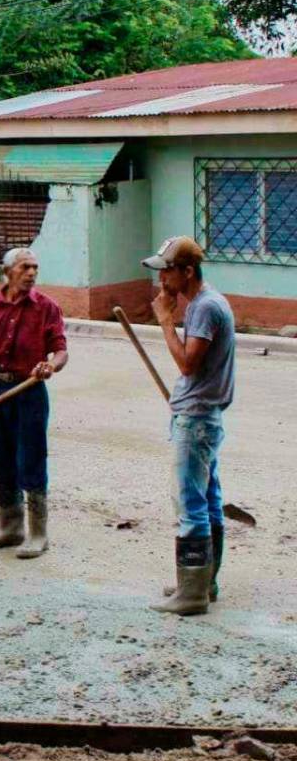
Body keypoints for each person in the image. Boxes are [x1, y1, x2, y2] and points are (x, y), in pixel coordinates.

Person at [142, 236, 235, 616]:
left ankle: (193, 593)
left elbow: (187, 364)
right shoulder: (205, 303)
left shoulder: (204, 308)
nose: (162, 278)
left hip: (196, 419)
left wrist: (166, 321)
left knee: (191, 503)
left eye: (167, 270)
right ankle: (201, 581)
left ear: (187, 272)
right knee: (208, 499)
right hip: (202, 415)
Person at [0, 248, 68, 559]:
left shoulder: (46, 307)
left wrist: (51, 365)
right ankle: (10, 527)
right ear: (8, 272)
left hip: (29, 390)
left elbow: (61, 350)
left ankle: (38, 534)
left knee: (31, 459)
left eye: (35, 268)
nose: (32, 273)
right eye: (25, 267)